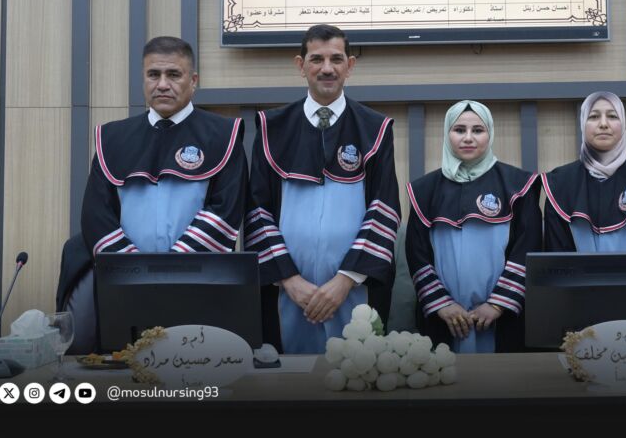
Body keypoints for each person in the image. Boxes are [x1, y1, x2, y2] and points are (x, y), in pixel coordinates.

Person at [71, 36, 248, 351]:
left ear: (193, 81)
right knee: (127, 371)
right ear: (143, 79)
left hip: (199, 287)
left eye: (174, 74)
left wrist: (172, 274)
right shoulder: (112, 138)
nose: (163, 84)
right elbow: (96, 215)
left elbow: (226, 210)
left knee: (198, 369)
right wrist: (135, 275)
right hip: (125, 291)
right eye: (154, 75)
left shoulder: (224, 135)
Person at [246, 24, 400, 354]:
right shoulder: (272, 129)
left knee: (356, 373)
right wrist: (290, 280)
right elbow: (257, 211)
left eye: (336, 59)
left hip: (355, 290)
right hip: (286, 292)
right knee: (287, 378)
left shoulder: (375, 129)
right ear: (300, 65)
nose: (327, 68)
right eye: (316, 59)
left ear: (350, 65)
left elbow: (384, 210)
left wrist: (344, 281)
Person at [405, 101, 541, 353]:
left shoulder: (518, 185)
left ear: (490, 133)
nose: (468, 138)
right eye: (459, 130)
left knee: (502, 375)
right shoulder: (424, 190)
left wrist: (497, 304)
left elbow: (528, 246)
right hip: (443, 316)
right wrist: (442, 304)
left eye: (478, 130)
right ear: (447, 133)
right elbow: (417, 252)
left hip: (502, 317)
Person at [542, 92, 626, 253]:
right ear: (583, 123)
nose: (603, 124)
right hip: (576, 272)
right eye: (594, 117)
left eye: (612, 116)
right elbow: (555, 258)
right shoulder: (560, 185)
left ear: (623, 123)